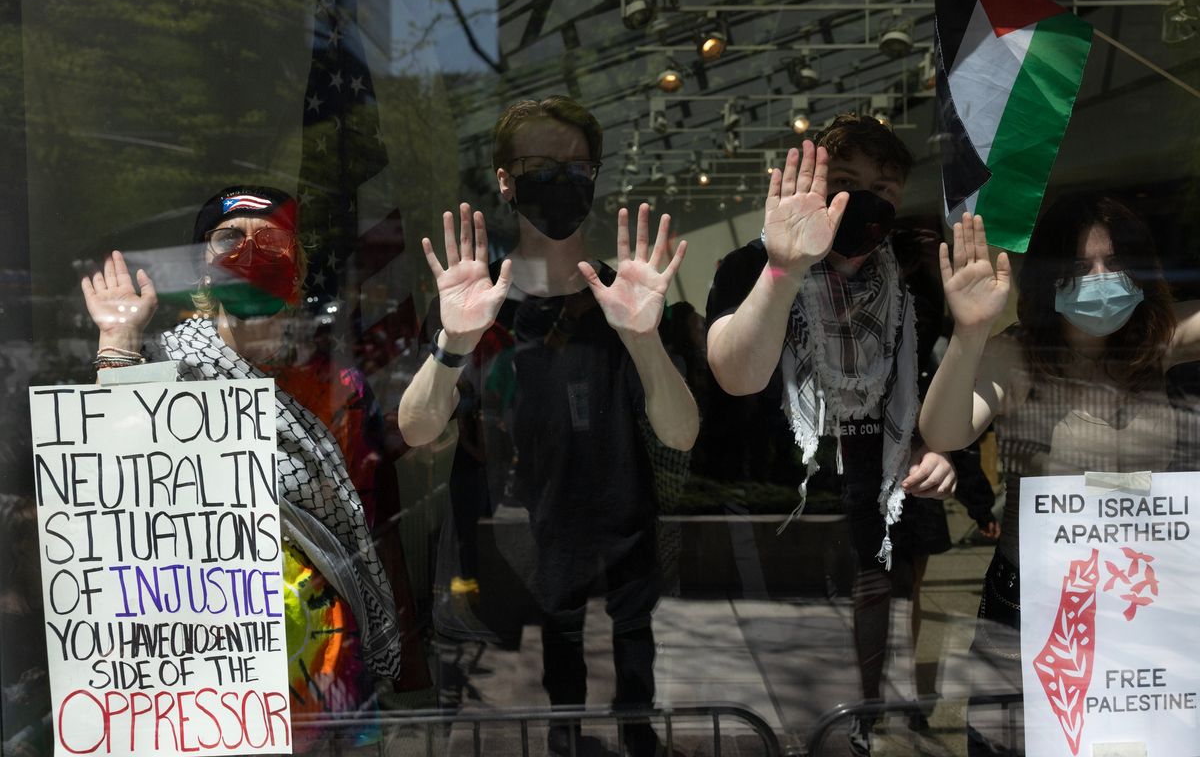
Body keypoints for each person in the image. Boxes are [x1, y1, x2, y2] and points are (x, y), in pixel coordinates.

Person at [397, 96, 697, 757]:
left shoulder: (630, 295)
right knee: (551, 704)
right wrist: (453, 342)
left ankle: (633, 732)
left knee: (632, 675)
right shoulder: (474, 298)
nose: (559, 178)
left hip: (622, 532)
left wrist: (644, 340)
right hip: (515, 545)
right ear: (504, 179)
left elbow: (680, 433)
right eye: (538, 164)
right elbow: (417, 430)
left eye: (574, 164)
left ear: (594, 174)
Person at [79, 186, 410, 750]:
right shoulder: (165, 368)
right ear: (203, 271)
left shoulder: (339, 386)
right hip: (215, 673)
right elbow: (119, 488)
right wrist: (117, 343)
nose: (251, 250)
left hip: (326, 666)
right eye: (228, 237)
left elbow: (370, 515)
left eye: (272, 238)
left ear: (298, 265)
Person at [705, 114, 957, 756]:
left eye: (886, 189)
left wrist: (934, 451)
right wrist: (785, 269)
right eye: (845, 181)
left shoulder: (911, 284)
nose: (866, 200)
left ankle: (866, 721)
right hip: (789, 499)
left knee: (877, 607)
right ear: (811, 179)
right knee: (786, 644)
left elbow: (930, 388)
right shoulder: (749, 266)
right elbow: (735, 376)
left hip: (882, 490)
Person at [918, 195, 1200, 755]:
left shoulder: (1156, 349)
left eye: (1115, 265)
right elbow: (945, 432)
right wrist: (971, 333)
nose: (1100, 280)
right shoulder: (1016, 359)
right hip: (1039, 611)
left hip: (1143, 602)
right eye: (1079, 268)